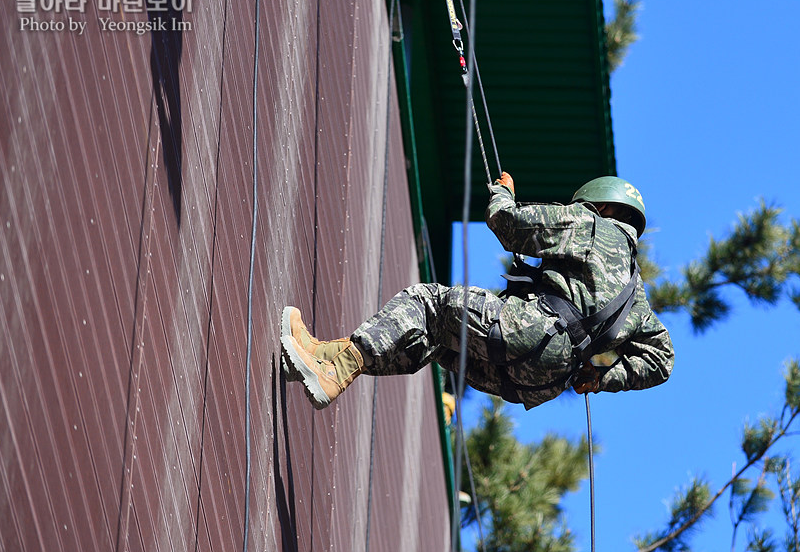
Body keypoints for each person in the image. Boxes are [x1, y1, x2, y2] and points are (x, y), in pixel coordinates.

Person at [280, 173, 674, 410]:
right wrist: (602, 377)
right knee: (436, 339)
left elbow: (508, 224)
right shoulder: (636, 298)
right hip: (537, 382)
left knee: (427, 303)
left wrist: (503, 194)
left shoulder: (591, 225)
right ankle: (323, 357)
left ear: (602, 207)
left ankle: (336, 369)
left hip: (529, 330)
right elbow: (662, 361)